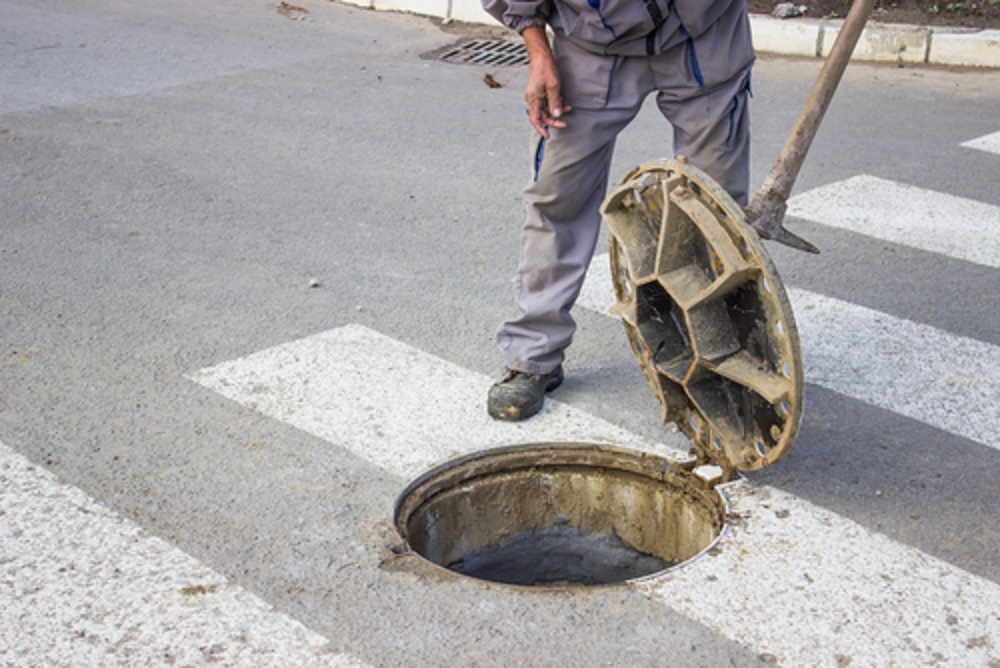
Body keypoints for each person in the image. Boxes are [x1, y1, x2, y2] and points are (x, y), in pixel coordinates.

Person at [482, 0, 755, 421]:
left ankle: (724, 353)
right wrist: (538, 53)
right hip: (594, 41)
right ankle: (533, 353)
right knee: (558, 194)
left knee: (714, 207)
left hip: (702, 31)